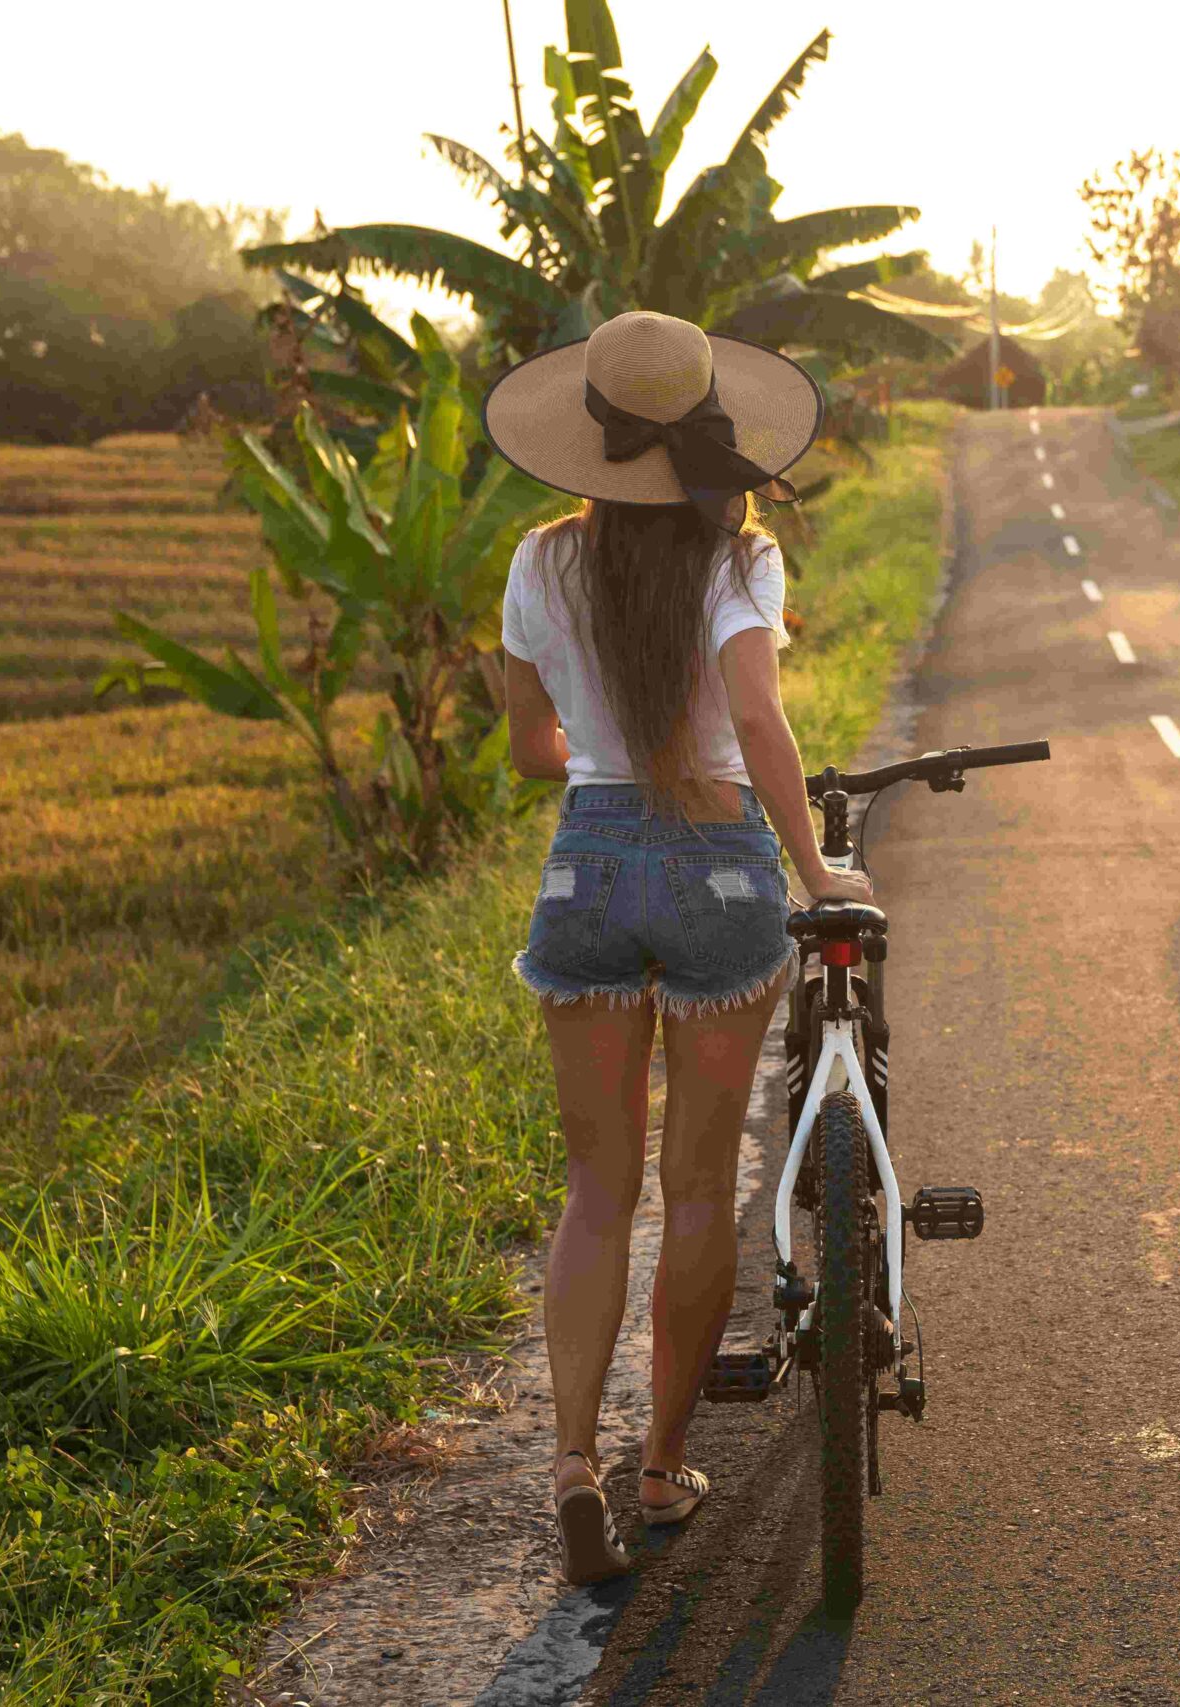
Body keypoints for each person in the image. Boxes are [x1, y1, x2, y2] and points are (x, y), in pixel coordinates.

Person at [484, 309, 873, 1586]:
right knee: (697, 1189)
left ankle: (571, 1465)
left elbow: (532, 747)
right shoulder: (737, 561)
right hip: (717, 864)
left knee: (598, 1191)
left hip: (588, 857)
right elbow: (757, 718)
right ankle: (660, 1465)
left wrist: (600, 744)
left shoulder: (537, 564)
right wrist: (818, 871)